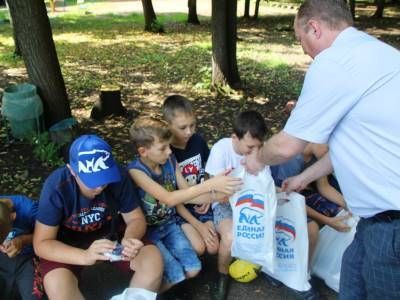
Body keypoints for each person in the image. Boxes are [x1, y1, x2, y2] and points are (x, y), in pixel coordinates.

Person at [245, 0, 400, 299]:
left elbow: (288, 145)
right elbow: (359, 145)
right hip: (375, 221)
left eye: (299, 40)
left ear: (314, 27)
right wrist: (305, 179)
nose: (302, 49)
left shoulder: (334, 62)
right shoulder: (378, 53)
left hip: (391, 226)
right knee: (352, 283)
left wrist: (257, 158)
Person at [33, 134, 163, 300]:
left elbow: (136, 218)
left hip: (112, 235)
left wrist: (129, 240)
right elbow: (42, 243)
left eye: (105, 178)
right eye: (92, 181)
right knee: (57, 287)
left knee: (152, 262)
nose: (100, 187)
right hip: (69, 243)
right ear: (72, 170)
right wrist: (85, 256)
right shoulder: (57, 187)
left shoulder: (119, 176)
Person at [127, 116, 241, 292]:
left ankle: (160, 290)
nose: (170, 152)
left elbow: (187, 195)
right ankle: (151, 292)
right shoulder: (136, 171)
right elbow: (170, 199)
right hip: (149, 232)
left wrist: (219, 195)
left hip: (170, 224)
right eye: (163, 148)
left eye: (169, 146)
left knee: (193, 269)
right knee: (176, 274)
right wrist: (210, 185)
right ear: (143, 151)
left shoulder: (170, 162)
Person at [205, 110, 268, 300]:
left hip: (251, 201)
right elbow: (214, 192)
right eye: (250, 147)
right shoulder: (221, 149)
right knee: (231, 236)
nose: (254, 152)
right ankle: (222, 275)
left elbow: (264, 184)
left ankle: (262, 263)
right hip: (225, 203)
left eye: (259, 147)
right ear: (235, 137)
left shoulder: (258, 153)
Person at [162, 94, 218, 256]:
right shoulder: (166, 153)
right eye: (182, 127)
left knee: (213, 247)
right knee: (199, 247)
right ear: (167, 125)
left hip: (202, 202)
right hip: (181, 209)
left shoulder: (198, 141)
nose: (189, 132)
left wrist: (208, 195)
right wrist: (197, 224)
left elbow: (207, 169)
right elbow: (174, 199)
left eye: (193, 125)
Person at [0, 195, 38, 300]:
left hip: (27, 258)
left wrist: (22, 240)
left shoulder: (29, 210)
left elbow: (48, 236)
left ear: (13, 216)